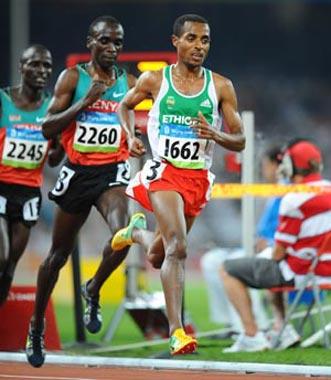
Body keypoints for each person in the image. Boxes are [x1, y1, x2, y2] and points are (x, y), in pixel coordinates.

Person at [111, 14, 245, 355]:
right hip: (164, 172)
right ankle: (177, 332)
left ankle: (134, 233)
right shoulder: (155, 79)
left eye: (205, 40)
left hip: (197, 177)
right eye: (192, 39)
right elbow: (124, 106)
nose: (199, 46)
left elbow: (240, 139)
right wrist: (130, 137)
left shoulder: (221, 86)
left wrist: (215, 133)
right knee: (179, 247)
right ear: (176, 42)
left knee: (159, 255)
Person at [26, 16, 141, 368]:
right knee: (56, 257)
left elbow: (129, 121)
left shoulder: (129, 82)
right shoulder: (73, 78)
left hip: (112, 174)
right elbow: (46, 127)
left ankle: (92, 289)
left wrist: (134, 138)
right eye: (105, 41)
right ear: (90, 41)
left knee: (125, 234)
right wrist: (85, 102)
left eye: (118, 42)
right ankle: (37, 325)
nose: (112, 48)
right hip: (77, 174)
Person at [221, 140, 331, 352]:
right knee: (268, 263)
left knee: (227, 269)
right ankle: (282, 327)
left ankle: (252, 335)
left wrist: (270, 251)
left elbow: (279, 252)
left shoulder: (293, 198)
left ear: (289, 166)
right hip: (326, 271)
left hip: (303, 273)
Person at [0, 45, 63, 306]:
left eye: (47, 66)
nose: (41, 70)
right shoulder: (3, 100)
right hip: (1, 187)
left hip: (29, 193)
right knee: (1, 257)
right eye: (34, 64)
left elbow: (54, 158)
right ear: (21, 67)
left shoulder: (52, 107)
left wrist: (60, 144)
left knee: (11, 265)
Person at [200, 145, 282, 334]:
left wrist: (267, 242)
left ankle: (254, 325)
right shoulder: (262, 191)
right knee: (210, 260)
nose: (263, 170)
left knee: (233, 264)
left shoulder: (282, 193)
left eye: (265, 165)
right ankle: (230, 322)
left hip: (269, 250)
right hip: (248, 245)